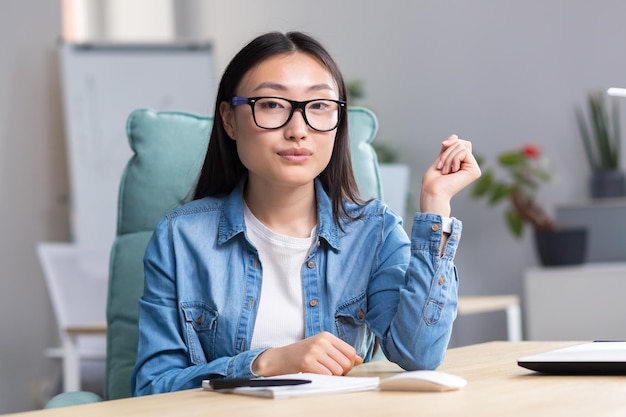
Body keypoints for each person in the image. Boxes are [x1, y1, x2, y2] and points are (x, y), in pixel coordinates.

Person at [131, 31, 481, 396]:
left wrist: (436, 204)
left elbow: (419, 354)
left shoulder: (373, 231)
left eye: (318, 106)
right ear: (229, 120)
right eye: (271, 105)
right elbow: (153, 386)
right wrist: (265, 363)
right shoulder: (181, 237)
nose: (298, 131)